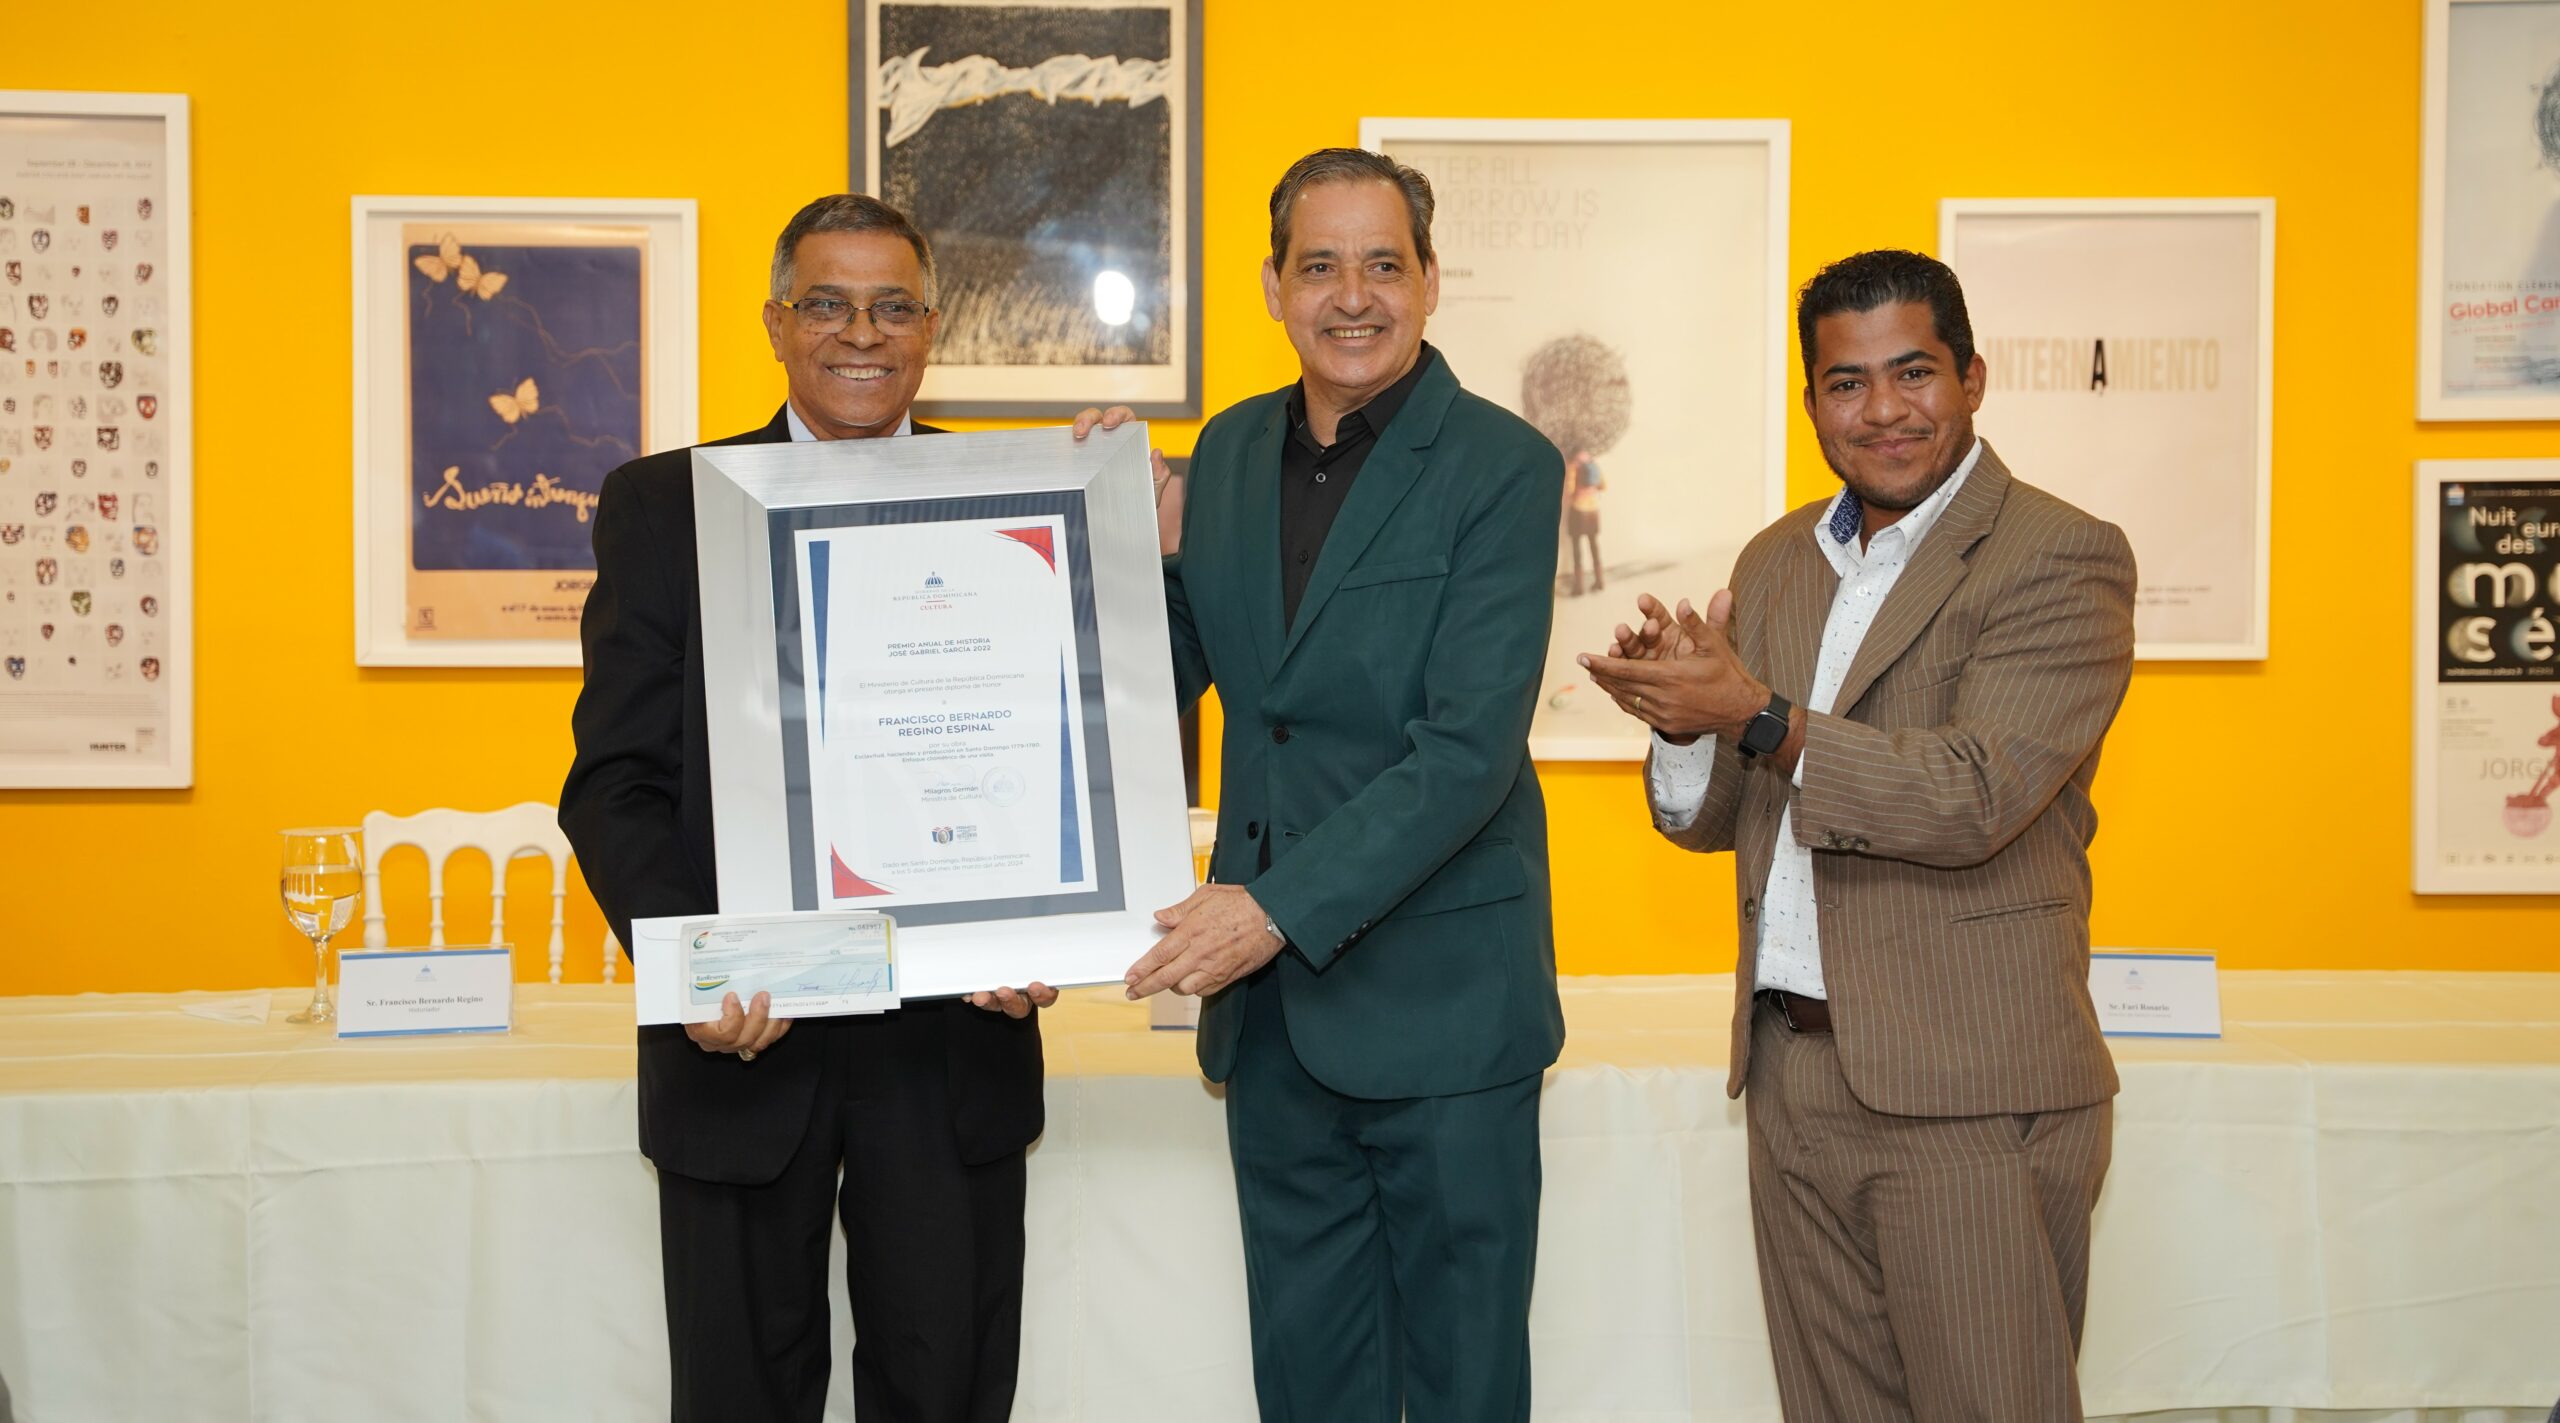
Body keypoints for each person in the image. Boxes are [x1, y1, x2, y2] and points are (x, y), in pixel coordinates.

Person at [1581, 248, 2137, 1420]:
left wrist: (1754, 712)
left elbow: (1972, 794)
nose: (1882, 409)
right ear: (1812, 401)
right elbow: (1729, 816)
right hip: (1791, 1074)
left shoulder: (2058, 553)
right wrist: (1682, 719)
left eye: (1912, 372)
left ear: (1971, 377)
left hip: (1967, 1089)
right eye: (1847, 382)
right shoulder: (1778, 561)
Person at [1078, 147, 1564, 1423]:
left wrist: (1271, 908)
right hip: (1277, 1026)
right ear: (1272, 286)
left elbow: (1465, 752)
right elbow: (1170, 676)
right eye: (1320, 266)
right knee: (1304, 1385)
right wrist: (1113, 541)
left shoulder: (1505, 466)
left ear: (1430, 280)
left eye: (1383, 264)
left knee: (1462, 1386)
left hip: (1445, 1013)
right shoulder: (1227, 452)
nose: (1353, 296)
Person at [560, 192, 1054, 1423]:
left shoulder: (1018, 496)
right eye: (826, 303)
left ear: (931, 326)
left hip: (951, 1038)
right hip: (741, 1036)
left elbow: (1059, 747)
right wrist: (698, 965)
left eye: (893, 306)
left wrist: (1039, 925)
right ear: (777, 322)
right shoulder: (664, 505)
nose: (861, 333)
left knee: (947, 1391)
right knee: (738, 1397)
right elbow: (614, 781)